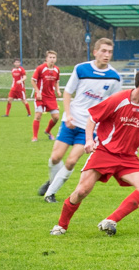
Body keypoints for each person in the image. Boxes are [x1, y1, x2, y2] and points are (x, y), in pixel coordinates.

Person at [50, 68, 139, 236]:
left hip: (129, 158)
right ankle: (61, 226)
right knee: (81, 191)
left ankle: (110, 220)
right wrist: (89, 140)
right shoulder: (118, 99)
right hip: (105, 152)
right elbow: (92, 118)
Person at [40, 38, 122, 202]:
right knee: (55, 158)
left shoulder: (114, 77)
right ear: (95, 52)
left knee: (71, 161)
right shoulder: (81, 69)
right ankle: (52, 182)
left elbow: (114, 106)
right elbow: (68, 92)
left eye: (110, 52)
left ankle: (50, 193)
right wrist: (68, 114)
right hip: (71, 120)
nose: (107, 55)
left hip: (90, 127)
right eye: (103, 51)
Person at [31, 51, 61, 142]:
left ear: (56, 59)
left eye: (54, 57)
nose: (52, 59)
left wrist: (58, 90)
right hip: (40, 96)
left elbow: (56, 81)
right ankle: (35, 137)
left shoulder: (57, 69)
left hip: (51, 97)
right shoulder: (40, 68)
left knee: (56, 117)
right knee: (38, 115)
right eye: (50, 57)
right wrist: (37, 92)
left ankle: (48, 131)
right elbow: (33, 80)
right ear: (46, 59)